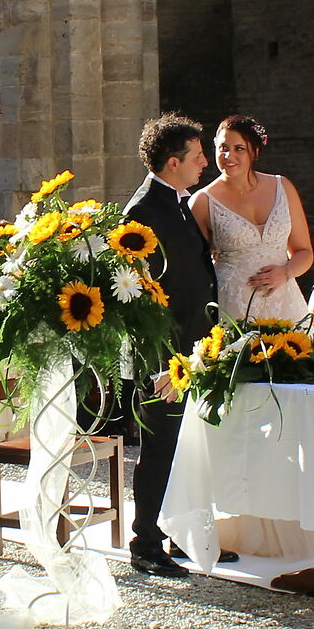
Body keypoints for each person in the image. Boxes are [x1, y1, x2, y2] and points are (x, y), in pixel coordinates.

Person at [126, 115, 219, 577]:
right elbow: (140, 296)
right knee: (160, 444)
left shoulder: (180, 204)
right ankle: (145, 542)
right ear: (172, 162)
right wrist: (167, 359)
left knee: (191, 445)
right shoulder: (141, 214)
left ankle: (181, 532)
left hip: (193, 343)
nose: (206, 162)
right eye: (198, 156)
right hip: (164, 351)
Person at [192, 115, 313, 324]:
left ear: (254, 152)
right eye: (223, 148)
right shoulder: (202, 201)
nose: (229, 156)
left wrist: (285, 272)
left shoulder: (282, 187)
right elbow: (196, 267)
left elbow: (305, 252)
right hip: (234, 308)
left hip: (286, 305)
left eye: (239, 148)